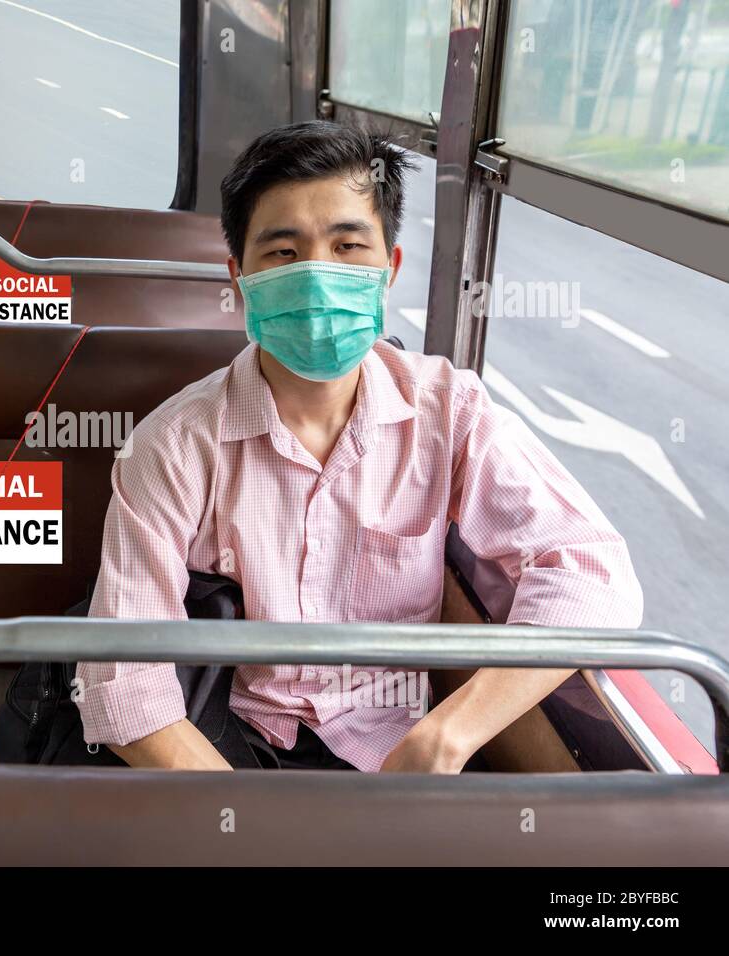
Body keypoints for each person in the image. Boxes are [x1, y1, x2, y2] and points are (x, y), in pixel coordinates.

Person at [75, 121, 643, 773]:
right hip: (234, 739)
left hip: (396, 739)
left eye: (347, 247)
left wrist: (449, 734)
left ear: (389, 270)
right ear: (240, 277)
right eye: (284, 254)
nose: (318, 281)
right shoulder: (174, 446)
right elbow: (122, 684)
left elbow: (589, 569)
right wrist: (237, 825)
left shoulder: (447, 412)